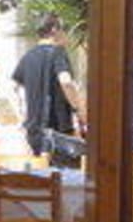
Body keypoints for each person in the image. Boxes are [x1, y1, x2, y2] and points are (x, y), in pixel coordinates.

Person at [12, 15, 84, 161]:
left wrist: (22, 117)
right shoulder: (58, 52)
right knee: (65, 172)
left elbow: (14, 88)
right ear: (54, 30)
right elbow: (66, 81)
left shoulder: (28, 56)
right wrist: (79, 109)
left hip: (34, 132)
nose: (66, 34)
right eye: (64, 29)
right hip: (58, 131)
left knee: (40, 172)